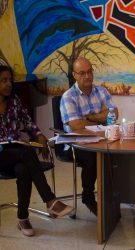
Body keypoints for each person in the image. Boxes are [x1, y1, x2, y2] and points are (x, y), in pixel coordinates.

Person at [0, 65, 74, 237]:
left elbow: (27, 121)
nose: (8, 84)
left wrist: (40, 135)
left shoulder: (14, 101)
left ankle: (22, 217)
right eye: (3, 81)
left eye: (9, 80)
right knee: (26, 152)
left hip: (14, 151)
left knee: (23, 169)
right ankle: (50, 201)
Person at [60, 57, 117, 215]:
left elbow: (113, 113)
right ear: (75, 75)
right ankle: (88, 196)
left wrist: (89, 118)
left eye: (90, 71)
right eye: (82, 73)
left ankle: (113, 196)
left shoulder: (101, 91)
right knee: (93, 156)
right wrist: (101, 116)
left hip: (100, 138)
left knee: (117, 152)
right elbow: (76, 126)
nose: (87, 76)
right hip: (76, 142)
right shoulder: (68, 96)